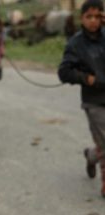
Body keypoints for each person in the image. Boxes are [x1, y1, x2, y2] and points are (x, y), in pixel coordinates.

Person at [58, 0, 105, 197]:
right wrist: (86, 78)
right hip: (94, 101)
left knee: (102, 145)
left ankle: (92, 155)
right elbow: (64, 72)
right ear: (82, 18)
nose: (94, 21)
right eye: (89, 17)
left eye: (98, 16)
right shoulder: (75, 44)